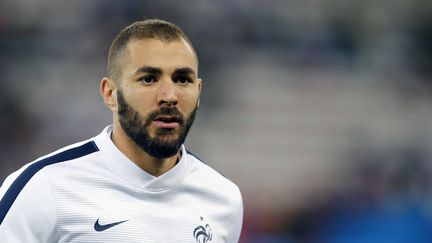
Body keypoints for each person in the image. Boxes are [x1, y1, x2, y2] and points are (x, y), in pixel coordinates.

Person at [0, 19, 243, 242]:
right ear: (110, 94)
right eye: (148, 79)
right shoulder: (45, 187)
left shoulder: (223, 200)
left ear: (199, 91)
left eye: (182, 79)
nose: (169, 96)